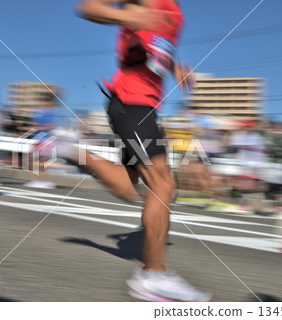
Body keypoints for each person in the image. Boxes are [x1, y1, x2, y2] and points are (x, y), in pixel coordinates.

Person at [58, 0, 210, 301]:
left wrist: (175, 65)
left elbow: (153, 49)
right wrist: (127, 14)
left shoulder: (173, 8)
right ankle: (153, 275)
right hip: (131, 104)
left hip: (143, 108)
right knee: (163, 185)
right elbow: (89, 8)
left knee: (130, 188)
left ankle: (72, 151)